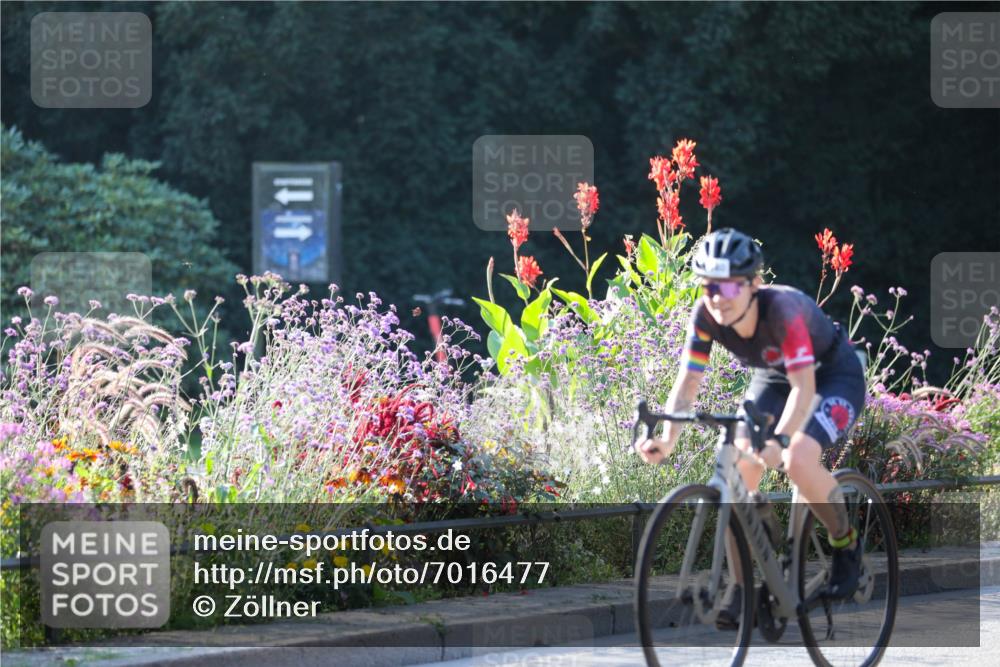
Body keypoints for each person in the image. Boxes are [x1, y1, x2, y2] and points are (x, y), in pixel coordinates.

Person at [635, 227, 867, 624]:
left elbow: (805, 388)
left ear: (754, 284)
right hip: (774, 378)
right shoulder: (706, 314)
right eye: (709, 287)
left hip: (830, 377)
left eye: (728, 289)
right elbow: (688, 381)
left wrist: (780, 438)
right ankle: (742, 588)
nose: (716, 298)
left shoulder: (783, 312)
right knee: (738, 466)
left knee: (797, 458)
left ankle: (846, 545)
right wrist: (668, 438)